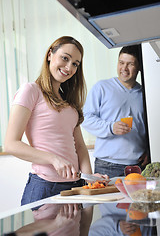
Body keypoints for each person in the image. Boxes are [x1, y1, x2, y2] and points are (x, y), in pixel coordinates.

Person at [4, 36, 107, 205]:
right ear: (50, 54)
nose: (69, 67)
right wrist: (54, 159)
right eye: (65, 58)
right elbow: (11, 144)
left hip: (75, 187)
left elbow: (80, 146)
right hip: (45, 187)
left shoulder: (69, 102)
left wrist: (89, 178)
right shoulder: (31, 91)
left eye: (75, 64)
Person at [82, 45, 149, 178]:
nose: (124, 68)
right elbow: (86, 118)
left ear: (139, 67)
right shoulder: (102, 87)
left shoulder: (145, 94)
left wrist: (149, 150)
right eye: (121, 62)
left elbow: (149, 128)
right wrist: (111, 127)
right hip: (107, 166)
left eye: (130, 64)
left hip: (139, 166)